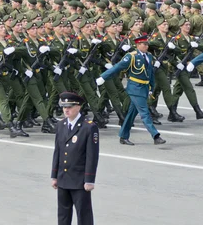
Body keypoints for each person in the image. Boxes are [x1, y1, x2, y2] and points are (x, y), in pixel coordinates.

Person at [96, 34, 166, 145]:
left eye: (147, 44)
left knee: (131, 114)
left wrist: (151, 88)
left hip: (144, 88)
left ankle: (123, 136)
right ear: (138, 45)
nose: (146, 46)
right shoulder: (131, 56)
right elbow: (117, 67)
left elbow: (151, 74)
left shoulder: (149, 56)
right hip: (135, 88)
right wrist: (103, 77)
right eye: (144, 44)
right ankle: (156, 136)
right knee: (145, 112)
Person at [51, 91, 99, 225]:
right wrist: (54, 176)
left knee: (84, 215)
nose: (66, 110)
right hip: (63, 178)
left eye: (70, 106)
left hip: (79, 181)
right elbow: (58, 152)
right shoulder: (61, 125)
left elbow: (92, 156)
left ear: (78, 107)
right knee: (63, 216)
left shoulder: (89, 127)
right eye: (64, 107)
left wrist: (89, 179)